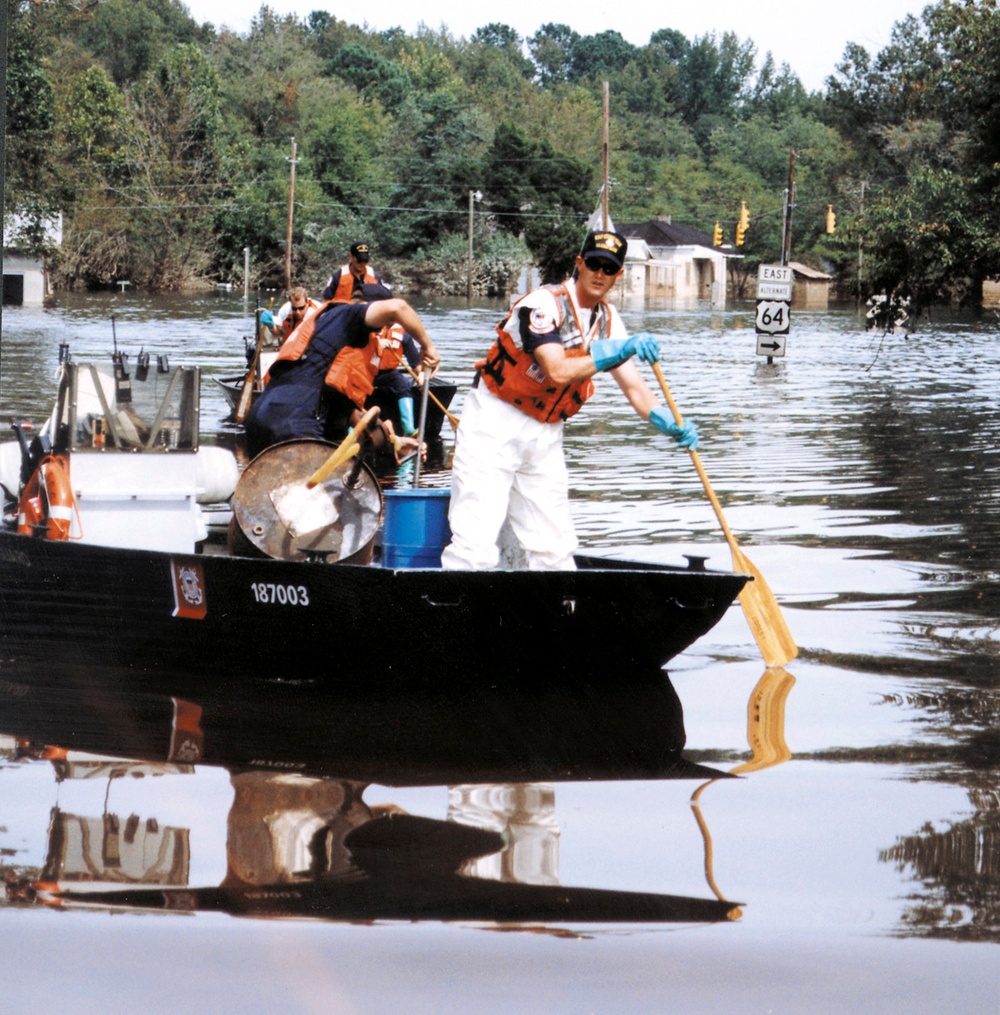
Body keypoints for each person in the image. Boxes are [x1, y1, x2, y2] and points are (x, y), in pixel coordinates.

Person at [440, 229, 698, 572]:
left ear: (618, 275)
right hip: (495, 420)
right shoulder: (543, 305)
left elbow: (636, 389)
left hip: (545, 432)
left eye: (609, 268)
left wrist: (668, 422)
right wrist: (611, 354)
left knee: (555, 548)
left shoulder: (608, 320)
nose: (599, 274)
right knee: (475, 540)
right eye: (593, 264)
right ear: (579, 264)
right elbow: (557, 370)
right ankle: (459, 616)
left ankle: (556, 614)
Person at [244, 284, 440, 459]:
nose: (384, 329)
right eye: (385, 324)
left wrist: (395, 442)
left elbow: (353, 415)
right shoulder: (350, 314)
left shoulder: (329, 339)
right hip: (296, 423)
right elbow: (398, 307)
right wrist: (427, 346)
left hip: (259, 419)